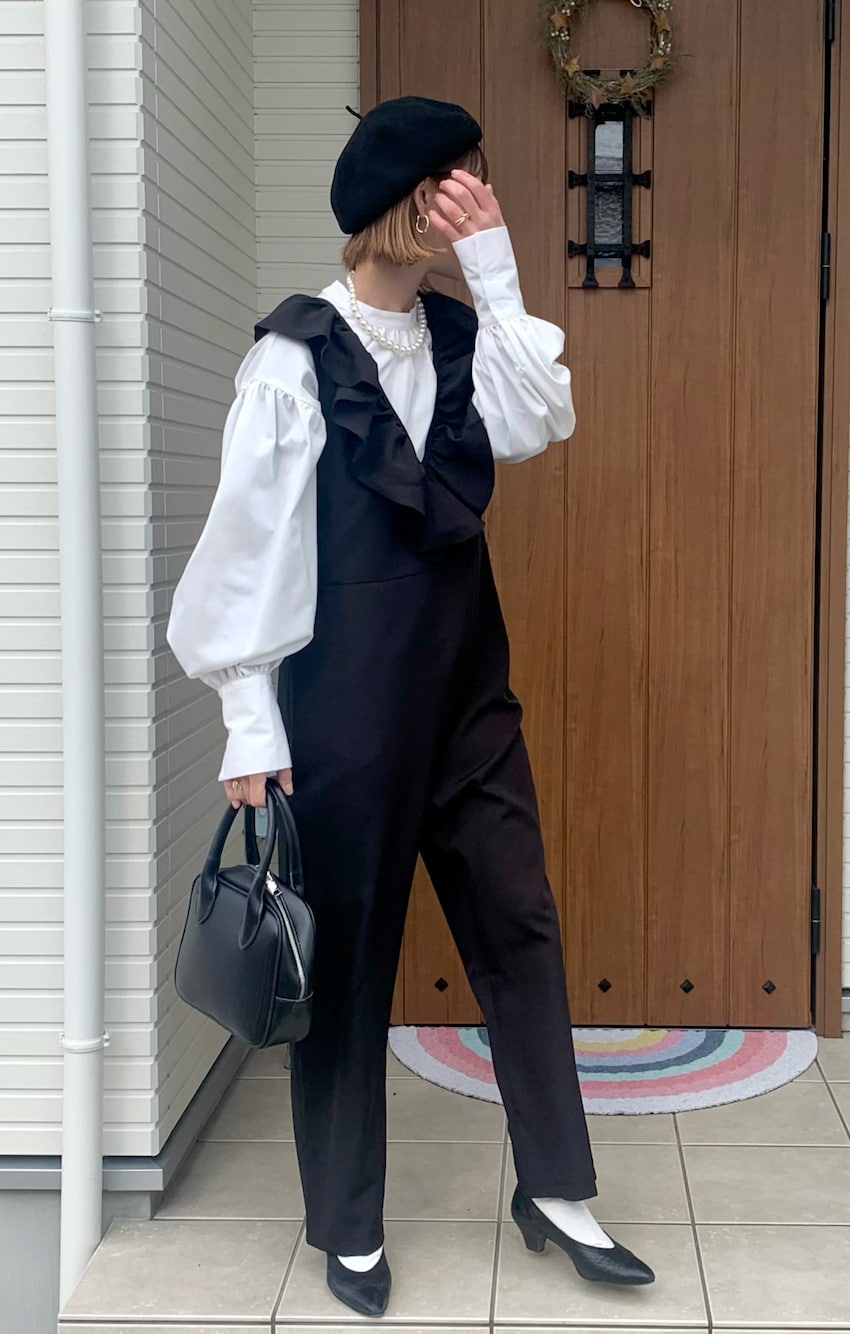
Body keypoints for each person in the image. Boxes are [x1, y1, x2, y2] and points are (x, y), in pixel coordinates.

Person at [167, 96, 654, 1317]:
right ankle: (348, 1221)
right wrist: (249, 719)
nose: (470, 198)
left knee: (519, 920)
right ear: (401, 201)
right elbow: (249, 549)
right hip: (343, 705)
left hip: (466, 688)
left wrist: (496, 265)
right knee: (349, 962)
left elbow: (540, 419)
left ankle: (554, 1186)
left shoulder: (458, 331)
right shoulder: (293, 358)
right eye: (454, 183)